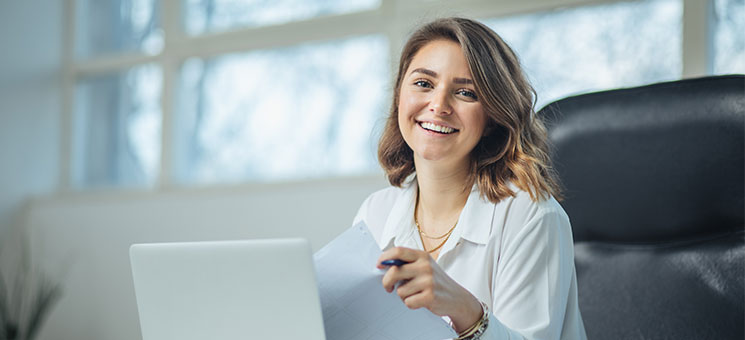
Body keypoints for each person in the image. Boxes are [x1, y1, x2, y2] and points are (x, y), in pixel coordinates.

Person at [352, 17, 587, 339]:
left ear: (493, 116)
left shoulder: (531, 216)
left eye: (465, 92)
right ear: (398, 96)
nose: (438, 105)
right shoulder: (374, 214)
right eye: (423, 84)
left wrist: (467, 311)